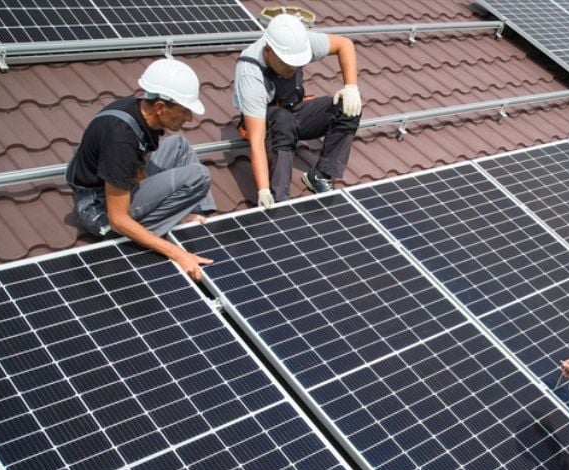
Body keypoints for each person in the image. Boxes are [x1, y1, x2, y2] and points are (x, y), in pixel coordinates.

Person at [66, 57, 214, 280]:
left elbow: (137, 161)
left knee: (180, 146)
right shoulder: (120, 140)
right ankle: (144, 233)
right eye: (184, 111)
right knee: (199, 177)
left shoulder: (138, 111)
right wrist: (178, 254)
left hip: (116, 182)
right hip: (99, 207)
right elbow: (117, 219)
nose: (189, 118)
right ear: (161, 107)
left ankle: (199, 214)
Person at [233, 13, 362, 208]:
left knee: (347, 108)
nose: (292, 69)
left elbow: (344, 44)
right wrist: (263, 189)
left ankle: (320, 176)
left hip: (295, 109)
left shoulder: (298, 43)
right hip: (265, 119)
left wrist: (351, 86)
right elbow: (257, 141)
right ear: (269, 51)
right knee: (283, 121)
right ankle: (279, 200)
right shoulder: (250, 74)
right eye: (287, 64)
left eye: (296, 64)